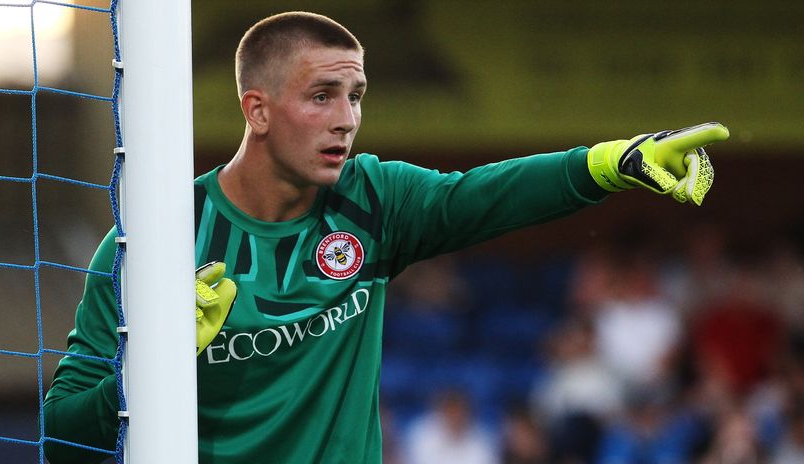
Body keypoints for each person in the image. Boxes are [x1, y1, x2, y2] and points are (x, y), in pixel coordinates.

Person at [42, 11, 729, 464]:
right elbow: (64, 434)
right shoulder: (151, 247)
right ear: (257, 109)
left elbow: (484, 196)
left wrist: (613, 162)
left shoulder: (372, 198)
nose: (347, 119)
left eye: (357, 95)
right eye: (322, 96)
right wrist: (153, 367)